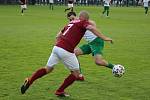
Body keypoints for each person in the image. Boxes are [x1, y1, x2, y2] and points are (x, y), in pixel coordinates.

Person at [20, 10, 113, 97]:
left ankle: (30, 80)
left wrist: (60, 43)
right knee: (76, 74)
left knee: (47, 69)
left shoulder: (71, 23)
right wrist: (105, 38)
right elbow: (91, 27)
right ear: (86, 19)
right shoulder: (83, 22)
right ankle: (60, 91)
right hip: (66, 50)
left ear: (78, 17)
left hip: (56, 48)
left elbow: (58, 35)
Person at [67, 12, 114, 80]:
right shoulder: (77, 24)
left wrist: (77, 19)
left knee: (98, 62)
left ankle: (115, 67)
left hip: (97, 42)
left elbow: (92, 23)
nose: (71, 20)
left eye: (80, 17)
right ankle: (79, 75)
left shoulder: (89, 22)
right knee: (74, 53)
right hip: (90, 44)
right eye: (69, 19)